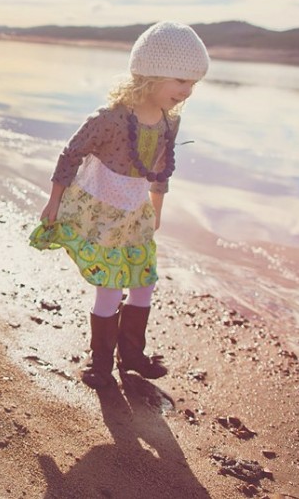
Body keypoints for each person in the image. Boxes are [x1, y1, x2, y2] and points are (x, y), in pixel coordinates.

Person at [29, 21, 209, 389]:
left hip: (136, 213)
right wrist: (54, 201)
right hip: (100, 212)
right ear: (151, 74)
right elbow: (71, 154)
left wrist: (156, 207)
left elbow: (160, 169)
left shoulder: (167, 123)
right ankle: (100, 364)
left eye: (194, 84)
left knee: (144, 281)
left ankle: (133, 356)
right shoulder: (110, 118)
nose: (188, 91)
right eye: (181, 81)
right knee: (110, 285)